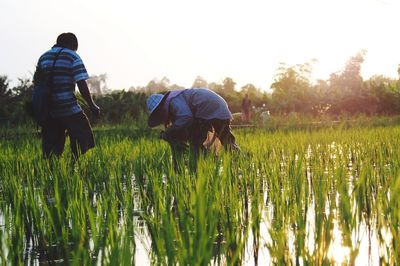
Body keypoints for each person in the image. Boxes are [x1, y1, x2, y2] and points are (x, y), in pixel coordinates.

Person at [33, 32, 100, 159]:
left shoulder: (44, 57)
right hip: (68, 108)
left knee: (52, 148)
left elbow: (37, 85)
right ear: (73, 44)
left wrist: (39, 110)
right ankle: (73, 164)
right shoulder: (72, 56)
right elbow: (81, 83)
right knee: (84, 136)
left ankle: (53, 172)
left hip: (48, 110)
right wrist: (92, 105)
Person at [147, 88, 240, 170]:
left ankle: (199, 168)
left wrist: (169, 131)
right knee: (226, 141)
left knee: (197, 143)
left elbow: (186, 117)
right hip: (217, 105)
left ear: (162, 106)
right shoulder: (175, 99)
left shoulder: (173, 101)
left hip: (208, 107)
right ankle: (240, 160)